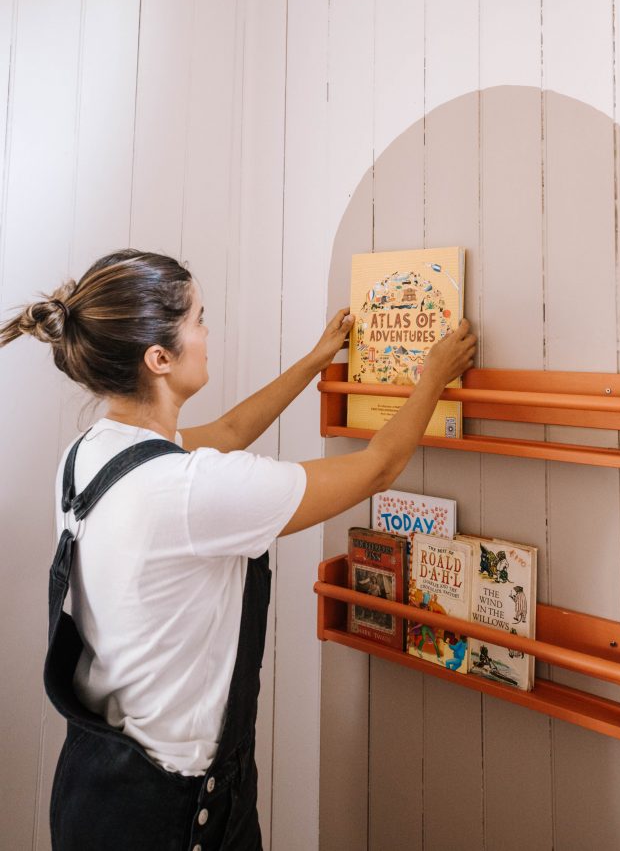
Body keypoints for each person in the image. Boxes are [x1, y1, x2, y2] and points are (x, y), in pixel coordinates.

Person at [0, 248, 476, 851]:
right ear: (160, 357)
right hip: (175, 812)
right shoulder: (189, 492)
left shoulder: (90, 453)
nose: (207, 333)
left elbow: (225, 434)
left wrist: (314, 362)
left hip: (95, 786)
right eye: (199, 319)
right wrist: (433, 373)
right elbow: (378, 468)